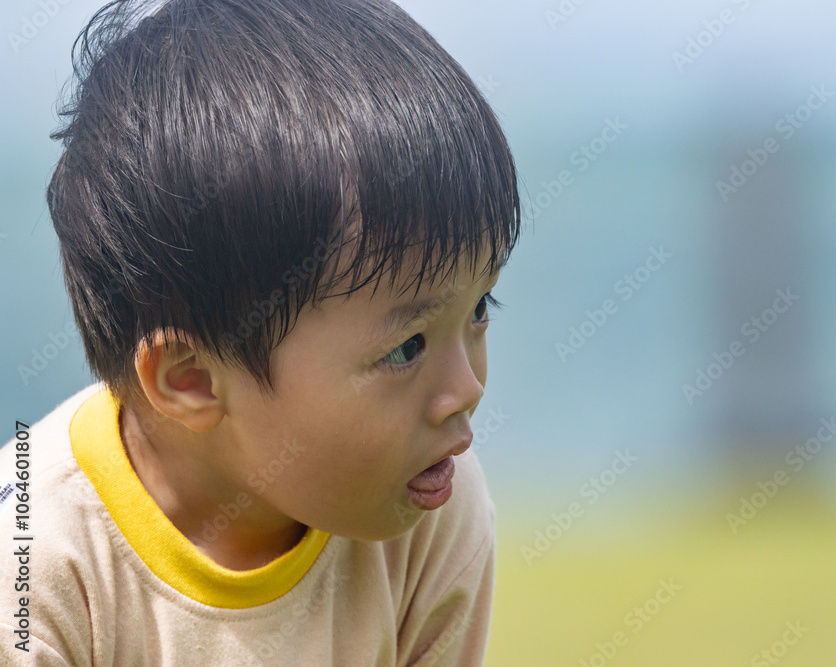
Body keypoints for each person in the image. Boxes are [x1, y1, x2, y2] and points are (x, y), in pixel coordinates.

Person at [0, 0, 520, 663]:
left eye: (479, 307)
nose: (467, 389)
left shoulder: (428, 507)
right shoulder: (33, 568)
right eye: (405, 347)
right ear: (192, 378)